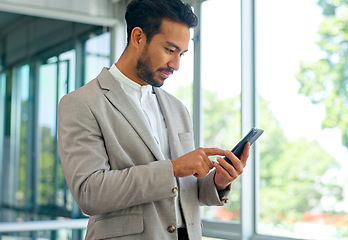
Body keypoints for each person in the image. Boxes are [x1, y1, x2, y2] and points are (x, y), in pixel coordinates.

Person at [57, 0, 250, 239]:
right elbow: (90, 193)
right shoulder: (82, 103)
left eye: (182, 53)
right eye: (170, 50)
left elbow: (182, 189)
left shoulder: (177, 108)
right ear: (138, 37)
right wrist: (174, 167)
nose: (176, 65)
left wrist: (218, 182)